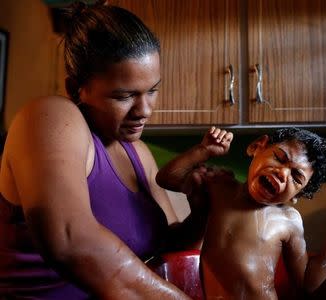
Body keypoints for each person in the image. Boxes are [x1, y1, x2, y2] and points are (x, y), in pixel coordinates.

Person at [0, 1, 207, 299]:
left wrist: (201, 214)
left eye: (152, 90)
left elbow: (164, 251)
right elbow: (71, 241)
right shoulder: (49, 118)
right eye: (124, 96)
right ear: (76, 89)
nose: (144, 110)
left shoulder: (139, 153)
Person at [156, 126, 326, 299]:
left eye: (296, 177)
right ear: (257, 147)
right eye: (279, 158)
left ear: (298, 194)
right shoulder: (220, 186)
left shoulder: (288, 221)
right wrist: (203, 151)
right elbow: (168, 178)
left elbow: (307, 283)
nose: (282, 173)